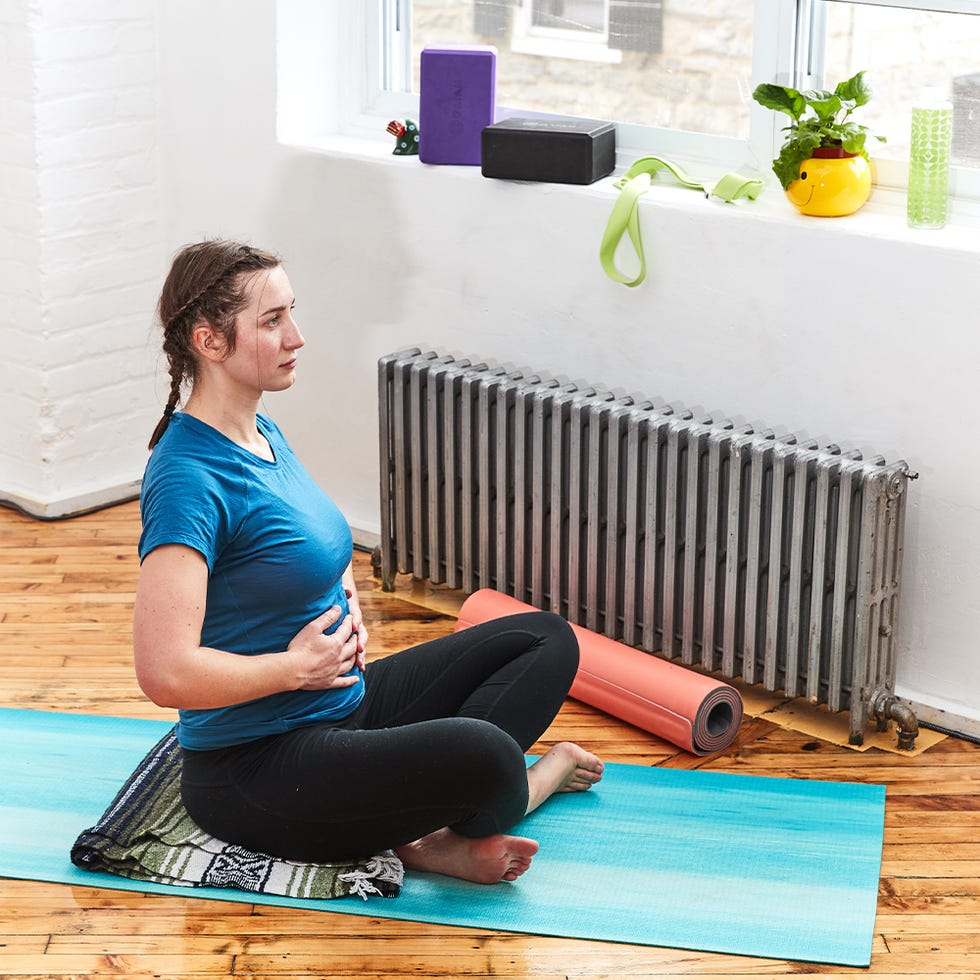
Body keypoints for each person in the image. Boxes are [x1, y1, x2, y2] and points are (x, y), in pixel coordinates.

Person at [133, 240, 603, 885]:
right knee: (488, 755)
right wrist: (295, 669)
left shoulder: (259, 430)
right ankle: (516, 792)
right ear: (210, 341)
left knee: (545, 640)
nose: (296, 336)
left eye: (290, 312)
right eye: (272, 321)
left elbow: (312, 539)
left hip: (343, 703)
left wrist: (344, 593)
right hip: (258, 763)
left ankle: (415, 824)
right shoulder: (187, 478)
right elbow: (164, 673)